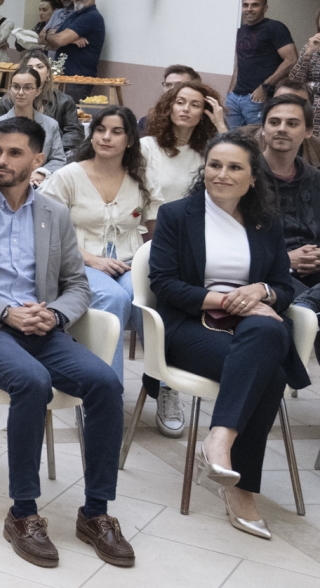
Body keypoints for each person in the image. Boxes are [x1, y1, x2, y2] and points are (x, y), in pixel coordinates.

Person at [0, 116, 132, 569]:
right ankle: (23, 512)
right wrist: (4, 312)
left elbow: (77, 284)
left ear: (38, 160)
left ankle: (95, 512)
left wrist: (55, 314)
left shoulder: (54, 214)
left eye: (14, 152)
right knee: (32, 382)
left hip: (43, 328)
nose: (0, 159)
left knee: (105, 384)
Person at [150, 132, 308, 541]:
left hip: (249, 330)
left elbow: (284, 286)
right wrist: (223, 299)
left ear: (253, 177)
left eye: (234, 167)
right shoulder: (176, 215)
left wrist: (261, 292)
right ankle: (240, 491)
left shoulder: (265, 222)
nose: (221, 174)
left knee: (264, 326)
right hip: (189, 328)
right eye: (214, 165)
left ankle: (220, 439)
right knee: (269, 371)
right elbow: (164, 284)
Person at [40, 106, 162, 396]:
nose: (106, 137)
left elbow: (157, 230)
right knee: (113, 297)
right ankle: (106, 393)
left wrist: (152, 266)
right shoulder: (68, 176)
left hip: (128, 260)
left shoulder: (142, 177)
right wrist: (91, 259)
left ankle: (165, 383)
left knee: (143, 295)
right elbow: (44, 228)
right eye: (100, 130)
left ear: (130, 140)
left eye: (116, 131)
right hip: (75, 262)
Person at [256, 93, 320, 289]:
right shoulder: (244, 176)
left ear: (308, 131)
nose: (282, 129)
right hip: (263, 275)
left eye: (292, 124)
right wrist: (283, 259)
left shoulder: (315, 179)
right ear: (263, 129)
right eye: (274, 122)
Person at [141, 79, 227, 204]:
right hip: (150, 221)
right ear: (169, 107)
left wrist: (220, 125)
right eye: (180, 102)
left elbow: (231, 160)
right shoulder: (147, 146)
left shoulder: (205, 152)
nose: (186, 109)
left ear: (204, 114)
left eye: (195, 105)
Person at [228, 0, 298, 130]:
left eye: (255, 5)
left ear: (265, 8)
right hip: (235, 98)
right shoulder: (241, 31)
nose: (249, 9)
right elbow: (239, 63)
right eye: (245, 5)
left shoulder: (275, 28)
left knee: (257, 143)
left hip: (257, 99)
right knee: (232, 141)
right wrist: (230, 92)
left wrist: (265, 87)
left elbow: (291, 60)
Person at [0, 64, 67, 183]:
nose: (20, 93)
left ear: (38, 91)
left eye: (27, 88)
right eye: (16, 87)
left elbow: (58, 159)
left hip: (40, 185)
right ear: (10, 89)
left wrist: (41, 172)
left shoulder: (50, 125)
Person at [1, 50, 84, 155]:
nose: (35, 70)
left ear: (48, 72)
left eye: (40, 67)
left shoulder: (64, 101)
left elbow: (74, 133)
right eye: (30, 67)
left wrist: (58, 155)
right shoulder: (7, 101)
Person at [43, 0, 105, 99]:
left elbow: (58, 40)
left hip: (78, 81)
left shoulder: (90, 17)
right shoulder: (74, 16)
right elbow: (50, 44)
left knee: (72, 116)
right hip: (64, 78)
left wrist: (58, 38)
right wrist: (69, 40)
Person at [136, 65, 202, 136]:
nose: (172, 89)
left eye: (179, 85)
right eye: (168, 85)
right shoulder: (146, 122)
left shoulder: (205, 125)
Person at [285, 8, 320, 131]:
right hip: (309, 112)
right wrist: (308, 53)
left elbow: (306, 85)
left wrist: (310, 85)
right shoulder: (310, 47)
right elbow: (294, 81)